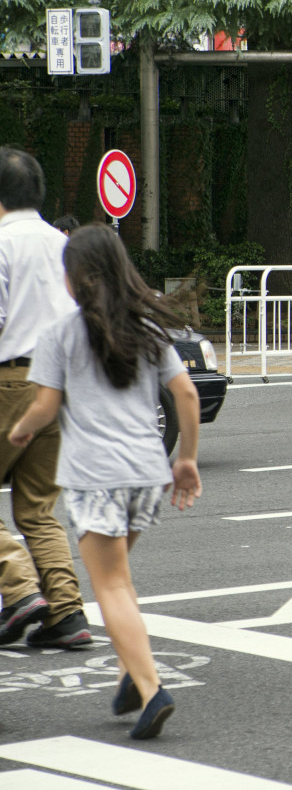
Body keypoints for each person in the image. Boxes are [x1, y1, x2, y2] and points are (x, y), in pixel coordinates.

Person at [9, 224, 201, 739]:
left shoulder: (60, 333)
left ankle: (151, 687)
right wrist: (186, 459)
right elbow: (186, 395)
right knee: (121, 579)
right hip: (147, 474)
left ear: (73, 278)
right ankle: (128, 678)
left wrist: (20, 430)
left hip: (96, 477)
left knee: (110, 585)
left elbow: (45, 406)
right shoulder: (149, 329)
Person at [0, 148, 89, 650]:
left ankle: (19, 591)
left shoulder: (1, 243)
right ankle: (67, 612)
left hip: (10, 380)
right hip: (59, 384)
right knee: (37, 507)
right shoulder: (63, 244)